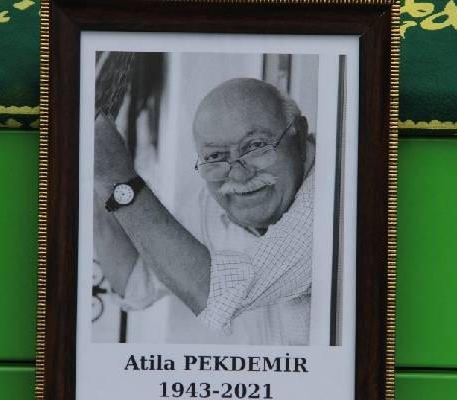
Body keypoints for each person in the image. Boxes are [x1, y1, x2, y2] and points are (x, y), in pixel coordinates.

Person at [92, 78, 315, 345]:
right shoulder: (211, 201)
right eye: (216, 156)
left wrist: (119, 179)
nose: (239, 175)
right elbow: (137, 284)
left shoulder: (330, 196)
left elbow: (219, 296)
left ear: (299, 137)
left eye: (256, 146)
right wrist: (96, 178)